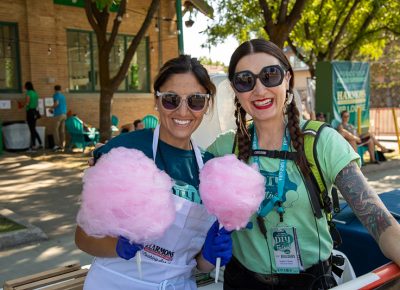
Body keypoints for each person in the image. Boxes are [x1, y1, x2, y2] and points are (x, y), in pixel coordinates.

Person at [207, 39, 400, 290]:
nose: (259, 89)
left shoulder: (322, 142)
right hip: (241, 282)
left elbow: (380, 222)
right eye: (245, 80)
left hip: (310, 282)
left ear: (287, 79)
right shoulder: (224, 149)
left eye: (270, 75)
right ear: (235, 89)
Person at [75, 55, 232, 289]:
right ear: (156, 101)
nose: (183, 110)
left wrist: (210, 258)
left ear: (206, 104)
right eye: (171, 99)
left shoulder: (210, 171)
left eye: (195, 100)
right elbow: (83, 238)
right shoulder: (124, 150)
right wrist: (116, 246)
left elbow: (197, 262)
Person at [24, 81, 42, 152]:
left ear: (27, 86)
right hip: (35, 112)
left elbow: (27, 102)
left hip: (30, 112)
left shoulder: (28, 93)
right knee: (33, 128)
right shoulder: (35, 93)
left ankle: (33, 146)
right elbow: (36, 103)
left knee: (32, 129)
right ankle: (40, 143)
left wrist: (23, 104)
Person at [50, 85, 67, 151]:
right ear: (60, 89)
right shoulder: (63, 96)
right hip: (64, 114)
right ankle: (63, 145)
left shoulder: (55, 95)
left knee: (55, 130)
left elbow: (56, 103)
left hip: (58, 114)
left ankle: (57, 145)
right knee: (62, 131)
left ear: (55, 89)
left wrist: (51, 108)